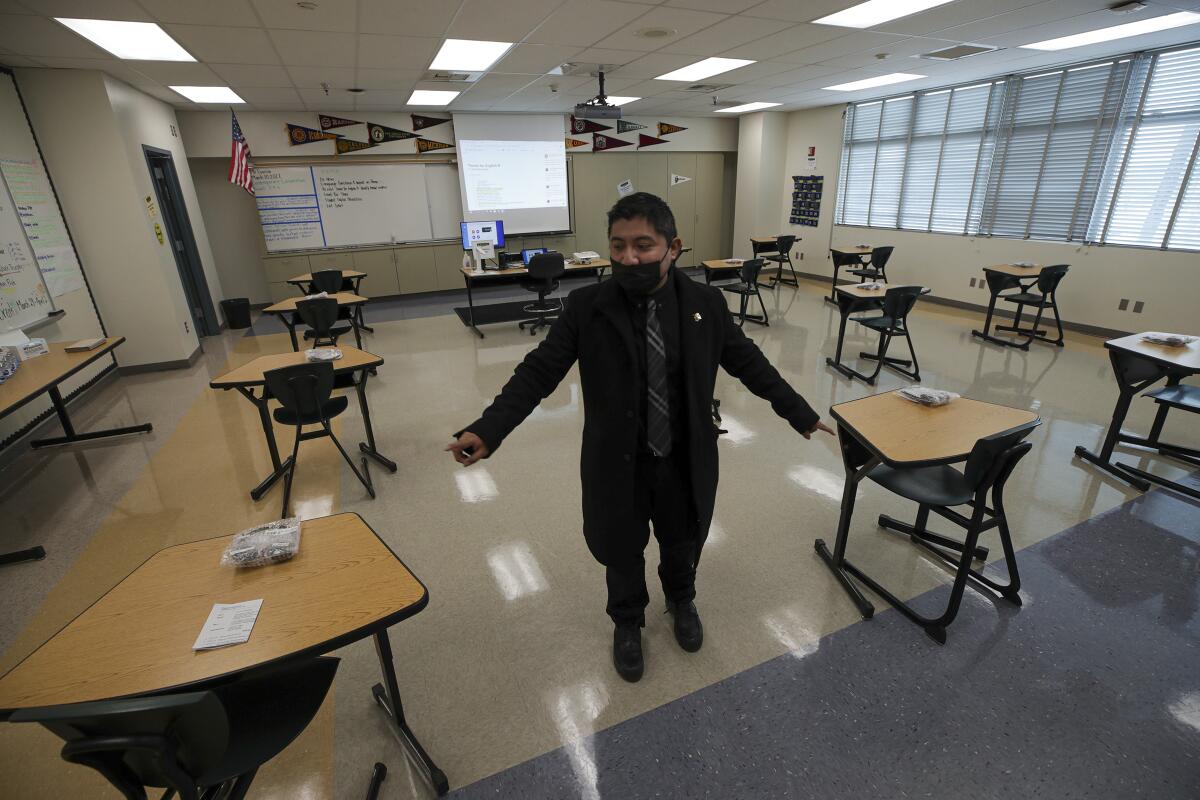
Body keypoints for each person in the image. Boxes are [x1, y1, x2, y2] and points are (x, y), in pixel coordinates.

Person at [447, 193, 832, 682]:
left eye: (643, 246)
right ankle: (627, 622)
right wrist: (489, 428)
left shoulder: (704, 304)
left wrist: (797, 411)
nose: (629, 258)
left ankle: (681, 600)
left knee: (681, 538)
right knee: (622, 549)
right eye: (619, 246)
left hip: (682, 456)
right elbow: (539, 371)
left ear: (674, 247)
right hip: (618, 462)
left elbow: (747, 361)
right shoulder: (587, 306)